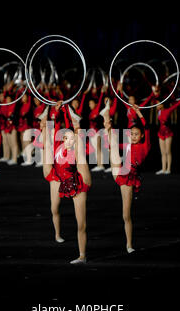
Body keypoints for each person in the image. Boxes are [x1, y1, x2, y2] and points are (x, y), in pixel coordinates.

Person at [41, 101, 91, 264]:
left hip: (79, 182)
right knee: (53, 208)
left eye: (71, 138)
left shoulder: (75, 148)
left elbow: (75, 139)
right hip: (60, 179)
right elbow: (55, 131)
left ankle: (82, 255)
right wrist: (56, 110)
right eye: (65, 138)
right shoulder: (56, 145)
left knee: (81, 224)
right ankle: (57, 233)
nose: (68, 140)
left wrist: (69, 113)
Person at [101, 102, 151, 253]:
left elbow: (147, 127)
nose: (133, 136)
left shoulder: (145, 146)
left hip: (130, 179)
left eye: (136, 134)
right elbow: (114, 145)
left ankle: (129, 244)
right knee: (114, 144)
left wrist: (139, 112)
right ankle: (106, 121)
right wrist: (110, 133)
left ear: (141, 135)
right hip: (120, 173)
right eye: (132, 134)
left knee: (126, 215)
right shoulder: (128, 145)